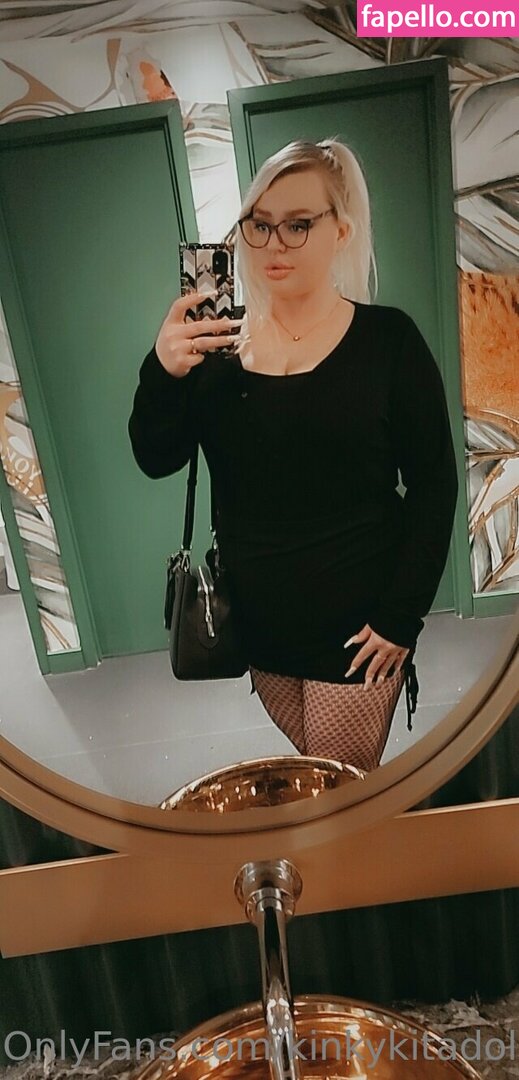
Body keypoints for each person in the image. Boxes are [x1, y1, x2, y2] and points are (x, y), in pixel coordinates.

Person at [128, 137, 459, 772]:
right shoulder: (217, 350)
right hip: (260, 627)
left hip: (358, 628)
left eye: (298, 224)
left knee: (335, 791)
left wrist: (401, 617)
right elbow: (155, 455)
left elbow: (434, 485)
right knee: (322, 776)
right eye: (259, 224)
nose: (273, 244)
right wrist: (162, 369)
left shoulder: (389, 342)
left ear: (341, 231)